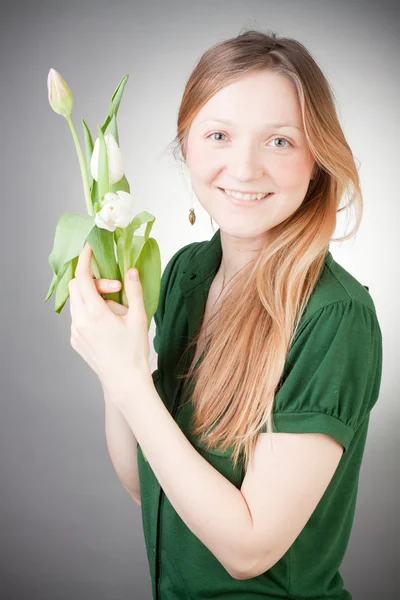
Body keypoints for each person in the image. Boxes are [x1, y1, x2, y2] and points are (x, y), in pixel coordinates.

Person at [109, 29, 383, 599]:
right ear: (187, 146)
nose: (245, 168)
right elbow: (147, 483)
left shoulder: (335, 316)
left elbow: (247, 550)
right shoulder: (188, 272)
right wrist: (121, 344)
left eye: (279, 141)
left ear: (318, 160)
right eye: (219, 135)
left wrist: (125, 379)